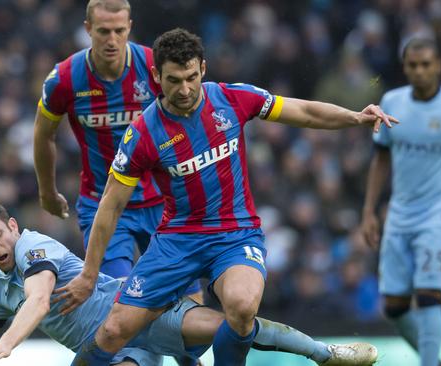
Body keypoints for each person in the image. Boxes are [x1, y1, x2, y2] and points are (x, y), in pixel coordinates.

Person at [58, 28, 396, 366]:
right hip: (177, 241)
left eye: (191, 77)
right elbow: (111, 204)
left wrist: (354, 117)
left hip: (235, 234)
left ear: (203, 68)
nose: (185, 89)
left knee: (241, 307)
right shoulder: (144, 133)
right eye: (174, 80)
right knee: (113, 330)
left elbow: (303, 112)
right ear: (156, 76)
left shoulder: (231, 98)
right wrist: (89, 274)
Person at [0, 201, 377, 366]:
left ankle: (325, 354)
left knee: (232, 326)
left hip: (136, 314)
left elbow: (40, 299)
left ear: (14, 228)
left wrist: (9, 344)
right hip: (111, 349)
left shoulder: (33, 248)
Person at [33, 0, 201, 304]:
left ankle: (187, 354)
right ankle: (133, 351)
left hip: (164, 203)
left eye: (119, 31)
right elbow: (44, 134)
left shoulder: (154, 67)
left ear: (130, 28)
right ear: (88, 30)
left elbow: (191, 119)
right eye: (103, 31)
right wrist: (47, 191)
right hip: (103, 205)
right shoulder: (65, 78)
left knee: (188, 306)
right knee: (119, 302)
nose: (112, 40)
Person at [360, 37, 441, 366]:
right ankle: (435, 362)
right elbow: (380, 158)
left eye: (426, 64)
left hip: (438, 214)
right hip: (398, 214)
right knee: (394, 307)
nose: (420, 71)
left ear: (438, 65)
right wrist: (369, 211)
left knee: (428, 296)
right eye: (413, 65)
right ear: (405, 67)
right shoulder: (391, 101)